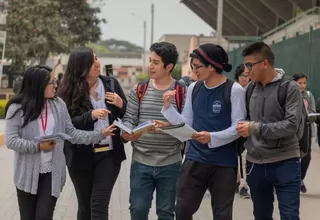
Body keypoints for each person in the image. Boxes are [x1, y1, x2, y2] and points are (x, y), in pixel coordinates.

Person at [4, 65, 115, 220]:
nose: (56, 85)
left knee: (44, 216)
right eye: (52, 82)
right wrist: (37, 146)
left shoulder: (58, 105)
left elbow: (72, 133)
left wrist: (99, 134)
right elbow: (11, 140)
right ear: (39, 85)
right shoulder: (17, 108)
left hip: (52, 172)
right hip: (26, 173)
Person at [161, 43, 246, 220]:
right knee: (182, 209)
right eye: (192, 67)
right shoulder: (194, 88)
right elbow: (187, 121)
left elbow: (237, 128)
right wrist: (168, 109)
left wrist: (211, 137)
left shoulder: (234, 90)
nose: (194, 71)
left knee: (222, 215)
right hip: (195, 159)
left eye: (197, 67)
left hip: (223, 163)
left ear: (212, 66)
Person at [57, 47, 127, 220]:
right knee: (85, 206)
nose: (97, 63)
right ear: (81, 67)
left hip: (109, 156)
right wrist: (90, 116)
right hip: (80, 156)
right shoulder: (67, 91)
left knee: (99, 204)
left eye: (97, 58)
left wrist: (121, 104)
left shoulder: (111, 84)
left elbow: (126, 114)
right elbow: (66, 126)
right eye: (92, 61)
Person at [237, 42, 303, 220]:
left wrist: (255, 128)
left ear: (265, 63)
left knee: (289, 216)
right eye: (245, 66)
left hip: (285, 162)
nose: (247, 70)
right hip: (255, 164)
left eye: (250, 65)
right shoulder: (250, 89)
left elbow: (291, 125)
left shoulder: (289, 88)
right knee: (261, 215)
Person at [121, 42, 184, 220]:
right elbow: (129, 119)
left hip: (171, 164)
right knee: (138, 210)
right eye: (150, 61)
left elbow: (186, 126)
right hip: (141, 162)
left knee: (166, 213)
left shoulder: (181, 92)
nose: (150, 66)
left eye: (156, 62)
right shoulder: (140, 90)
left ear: (169, 66)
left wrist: (166, 127)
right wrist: (126, 133)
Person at [293, 73, 316, 193]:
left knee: (307, 156)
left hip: (306, 128)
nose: (302, 85)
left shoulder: (308, 95)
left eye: (304, 83)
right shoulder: (290, 94)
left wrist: (308, 116)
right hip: (293, 129)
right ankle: (291, 180)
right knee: (293, 156)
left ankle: (300, 179)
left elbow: (312, 111)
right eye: (299, 83)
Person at [234, 63, 251, 199]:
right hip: (234, 128)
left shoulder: (253, 89)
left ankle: (243, 185)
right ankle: (238, 181)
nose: (245, 78)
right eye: (242, 76)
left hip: (248, 128)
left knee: (244, 157)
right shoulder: (234, 89)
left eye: (247, 76)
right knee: (237, 157)